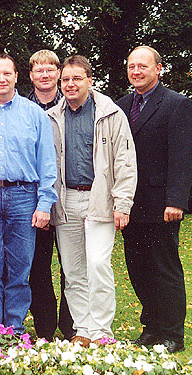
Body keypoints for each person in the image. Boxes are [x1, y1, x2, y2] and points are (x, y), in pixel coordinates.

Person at [47, 55, 137, 347]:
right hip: (66, 200)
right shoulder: (53, 117)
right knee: (73, 271)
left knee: (98, 264)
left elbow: (125, 161)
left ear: (89, 80)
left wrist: (122, 203)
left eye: (77, 78)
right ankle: (83, 328)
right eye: (66, 79)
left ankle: (101, 331)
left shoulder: (110, 114)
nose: (70, 84)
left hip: (100, 200)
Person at [117, 46, 192, 353]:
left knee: (164, 268)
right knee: (138, 269)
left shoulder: (177, 104)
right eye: (132, 66)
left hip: (162, 205)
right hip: (130, 204)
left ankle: (172, 333)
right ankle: (151, 328)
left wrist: (176, 200)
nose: (136, 71)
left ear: (158, 69)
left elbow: (183, 157)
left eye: (143, 66)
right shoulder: (122, 106)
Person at [0, 54, 57, 334]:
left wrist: (44, 203)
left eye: (7, 73)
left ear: (17, 76)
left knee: (20, 271)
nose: (1, 79)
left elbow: (47, 162)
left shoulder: (35, 114)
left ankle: (14, 329)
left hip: (24, 197)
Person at [27, 49, 75, 341]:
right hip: (37, 199)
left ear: (58, 73)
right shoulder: (23, 108)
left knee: (71, 266)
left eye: (49, 70)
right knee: (38, 266)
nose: (44, 75)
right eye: (38, 70)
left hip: (70, 196)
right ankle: (44, 327)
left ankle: (71, 326)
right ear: (31, 75)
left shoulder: (74, 104)